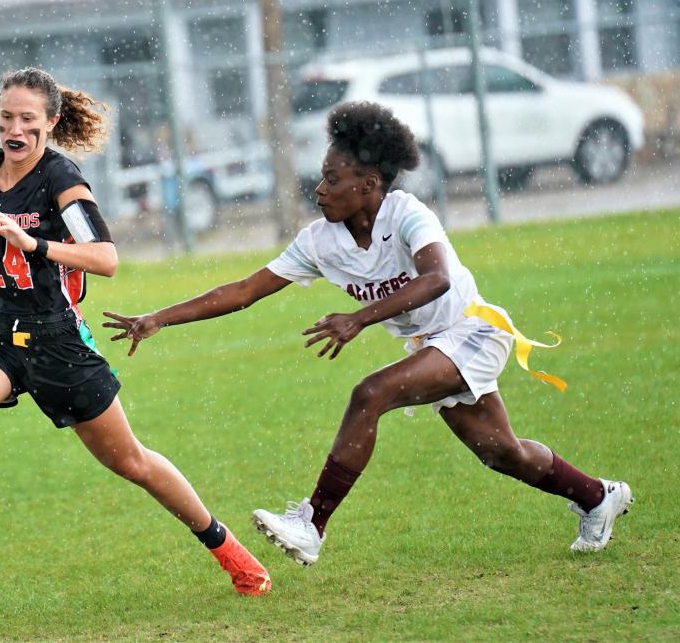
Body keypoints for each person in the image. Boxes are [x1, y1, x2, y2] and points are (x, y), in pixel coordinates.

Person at [103, 101, 633, 567]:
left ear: (369, 185)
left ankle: (312, 524)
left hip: (472, 328)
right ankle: (596, 496)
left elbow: (437, 278)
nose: (320, 188)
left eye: (333, 179)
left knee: (370, 393)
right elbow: (244, 290)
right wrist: (158, 318)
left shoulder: (407, 213)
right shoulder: (320, 241)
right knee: (502, 453)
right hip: (433, 345)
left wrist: (359, 317)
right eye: (321, 176)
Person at [0, 67, 270, 605]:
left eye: (27, 118)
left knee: (130, 462)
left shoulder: (61, 180)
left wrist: (35, 244)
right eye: (6, 117)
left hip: (58, 340)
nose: (14, 128)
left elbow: (106, 259)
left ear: (50, 121)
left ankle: (227, 548)